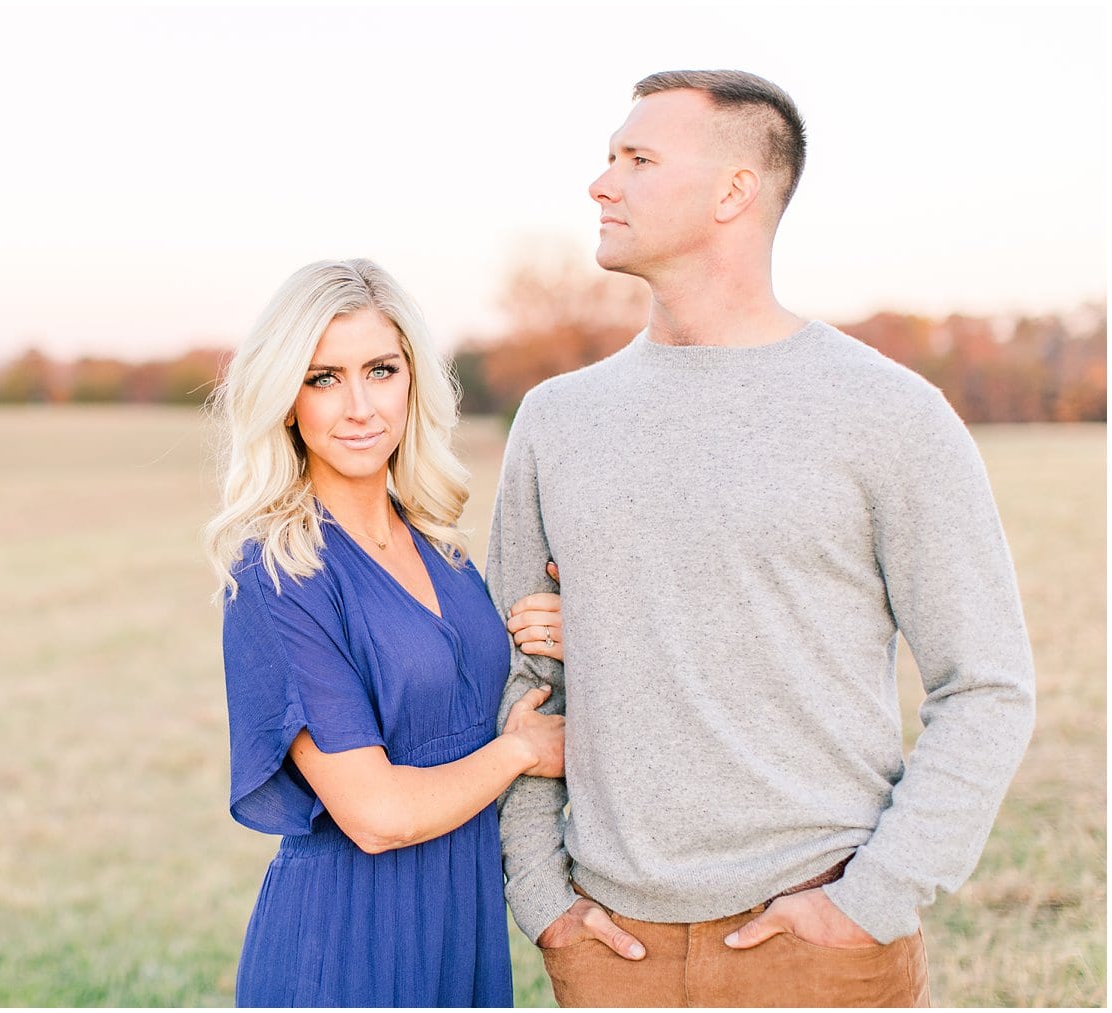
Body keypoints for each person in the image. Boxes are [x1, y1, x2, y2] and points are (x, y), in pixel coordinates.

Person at [487, 70, 1036, 1008]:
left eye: (637, 159)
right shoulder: (554, 421)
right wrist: (543, 900)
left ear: (733, 191)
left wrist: (873, 899)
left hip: (819, 944)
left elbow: (984, 683)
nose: (600, 183)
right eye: (607, 157)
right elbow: (523, 681)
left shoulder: (889, 414)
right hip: (609, 953)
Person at [204, 258, 568, 1007]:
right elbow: (375, 815)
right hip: (345, 945)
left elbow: (467, 690)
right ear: (285, 400)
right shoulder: (279, 572)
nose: (360, 405)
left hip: (457, 929)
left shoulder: (440, 545)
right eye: (323, 377)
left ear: (413, 380)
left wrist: (550, 629)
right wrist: (519, 752)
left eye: (380, 369)